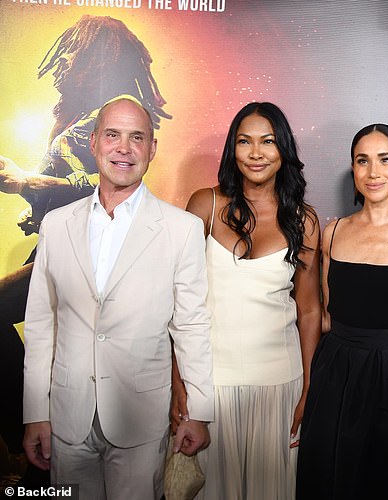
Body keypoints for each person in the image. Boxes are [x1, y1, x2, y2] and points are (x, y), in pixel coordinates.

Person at [22, 97, 213, 499]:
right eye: (112, 135)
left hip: (141, 420)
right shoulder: (56, 226)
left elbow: (192, 326)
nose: (123, 148)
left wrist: (199, 412)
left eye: (136, 137)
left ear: (152, 149)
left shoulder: (182, 229)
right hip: (68, 419)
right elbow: (42, 328)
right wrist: (35, 413)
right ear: (93, 143)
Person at [0, 15, 170, 464]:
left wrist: (23, 182)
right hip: (62, 249)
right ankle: (40, 451)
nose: (64, 61)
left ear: (96, 55)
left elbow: (98, 187)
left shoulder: (108, 116)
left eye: (75, 50)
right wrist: (33, 211)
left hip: (94, 256)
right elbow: (72, 187)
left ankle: (30, 441)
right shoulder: (79, 116)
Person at [171, 102, 321, 500]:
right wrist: (179, 383)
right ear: (232, 150)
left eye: (268, 141)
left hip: (279, 388)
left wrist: (309, 386)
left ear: (283, 149)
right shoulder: (206, 204)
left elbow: (309, 311)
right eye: (245, 141)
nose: (256, 153)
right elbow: (180, 305)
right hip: (210, 388)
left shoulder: (303, 220)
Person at [296, 124, 388, 499]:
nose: (373, 172)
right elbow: (326, 313)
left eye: (385, 160)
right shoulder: (333, 232)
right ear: (353, 168)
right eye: (363, 161)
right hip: (337, 379)